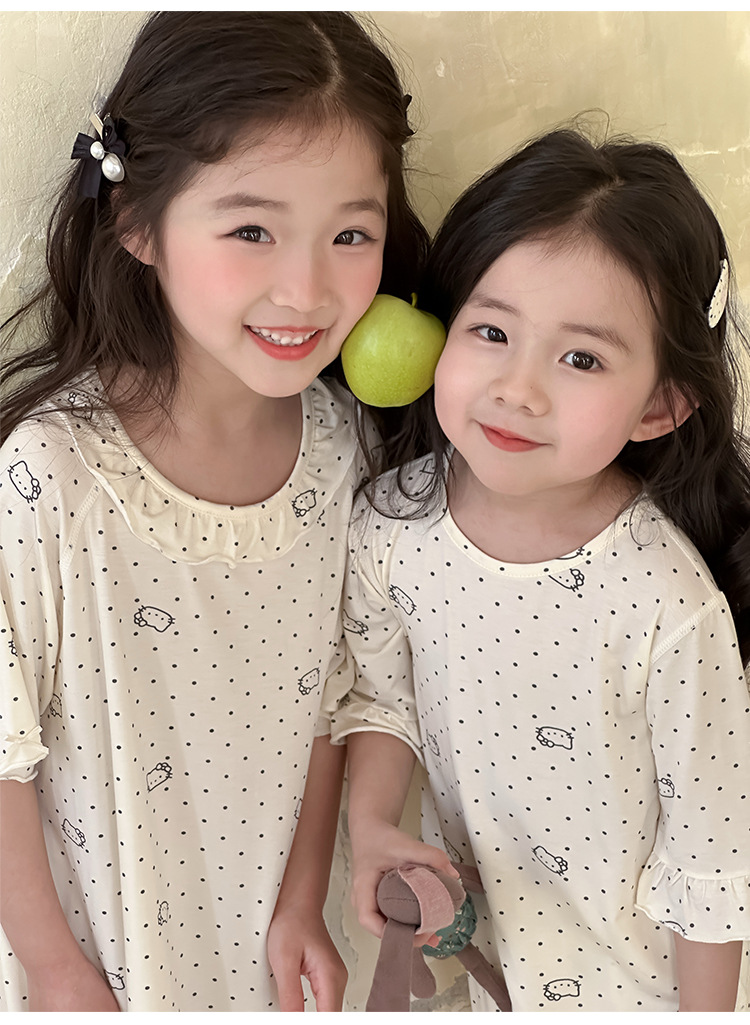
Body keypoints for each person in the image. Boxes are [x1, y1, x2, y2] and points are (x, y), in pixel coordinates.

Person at [0, 11, 429, 1012]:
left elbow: (332, 697)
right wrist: (54, 968)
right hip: (83, 966)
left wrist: (299, 900)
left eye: (351, 234)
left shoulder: (349, 454)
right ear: (137, 222)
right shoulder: (52, 472)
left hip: (264, 960)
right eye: (250, 230)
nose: (306, 289)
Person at [332, 128, 750, 1012]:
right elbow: (381, 698)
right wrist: (371, 826)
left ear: (662, 404)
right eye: (491, 331)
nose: (518, 389)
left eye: (581, 358)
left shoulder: (668, 604)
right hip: (491, 978)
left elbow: (712, 862)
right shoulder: (394, 525)